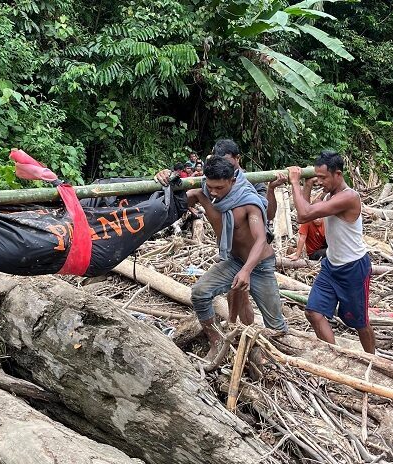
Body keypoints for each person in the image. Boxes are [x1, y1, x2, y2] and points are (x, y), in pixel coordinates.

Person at [157, 156, 287, 358]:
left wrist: (246, 271)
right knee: (200, 293)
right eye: (211, 186)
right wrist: (165, 176)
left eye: (219, 187)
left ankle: (276, 358)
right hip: (233, 260)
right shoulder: (203, 193)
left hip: (260, 265)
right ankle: (217, 341)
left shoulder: (247, 202)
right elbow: (170, 199)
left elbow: (261, 239)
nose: (214, 192)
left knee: (276, 326)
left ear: (232, 181)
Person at [287, 150, 376, 354]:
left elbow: (303, 214)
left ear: (338, 174)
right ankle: (336, 355)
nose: (320, 181)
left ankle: (373, 359)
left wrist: (294, 183)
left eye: (323, 177)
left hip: (353, 268)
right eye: (317, 177)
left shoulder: (349, 197)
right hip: (331, 266)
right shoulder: (329, 195)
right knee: (313, 312)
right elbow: (307, 211)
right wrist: (307, 185)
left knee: (360, 323)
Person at [210, 139, 283, 325]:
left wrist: (272, 189)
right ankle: (234, 327)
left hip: (255, 253)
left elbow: (268, 214)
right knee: (234, 294)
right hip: (232, 251)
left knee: (249, 297)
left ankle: (249, 332)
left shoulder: (251, 184)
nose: (225, 166)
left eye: (228, 161)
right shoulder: (216, 181)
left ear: (237, 158)